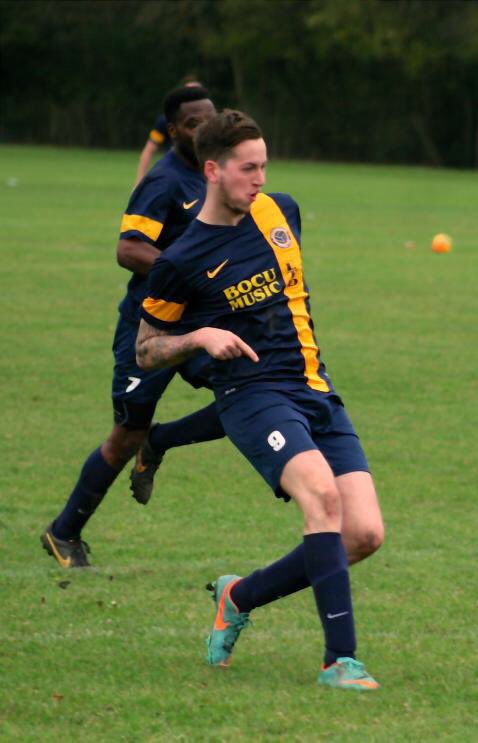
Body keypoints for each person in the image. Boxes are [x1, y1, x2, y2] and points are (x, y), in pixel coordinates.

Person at [135, 109, 385, 690]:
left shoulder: (282, 211)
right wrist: (199, 337)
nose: (260, 179)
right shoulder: (181, 260)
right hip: (252, 396)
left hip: (316, 389)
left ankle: (238, 595)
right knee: (321, 500)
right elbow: (147, 349)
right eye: (249, 169)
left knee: (364, 535)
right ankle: (340, 662)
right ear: (214, 170)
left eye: (265, 166)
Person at [41, 86, 226, 568]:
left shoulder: (217, 173)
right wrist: (183, 270)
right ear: (172, 130)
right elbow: (128, 249)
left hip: (203, 324)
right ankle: (64, 533)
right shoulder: (163, 181)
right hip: (151, 329)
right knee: (125, 435)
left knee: (249, 395)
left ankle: (159, 441)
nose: (203, 129)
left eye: (210, 119)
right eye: (192, 123)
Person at [135, 77, 203, 186]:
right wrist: (139, 182)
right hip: (176, 177)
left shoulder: (212, 122)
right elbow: (148, 151)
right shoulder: (165, 121)